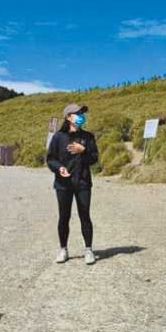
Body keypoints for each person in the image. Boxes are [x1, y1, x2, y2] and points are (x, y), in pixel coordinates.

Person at [46, 104, 100, 265]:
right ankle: (63, 249)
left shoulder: (88, 137)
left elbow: (94, 158)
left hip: (83, 182)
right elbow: (50, 159)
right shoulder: (58, 137)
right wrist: (59, 168)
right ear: (68, 117)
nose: (81, 116)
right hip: (63, 184)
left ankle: (89, 250)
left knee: (85, 216)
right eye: (77, 113)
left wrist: (83, 150)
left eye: (82, 113)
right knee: (64, 217)